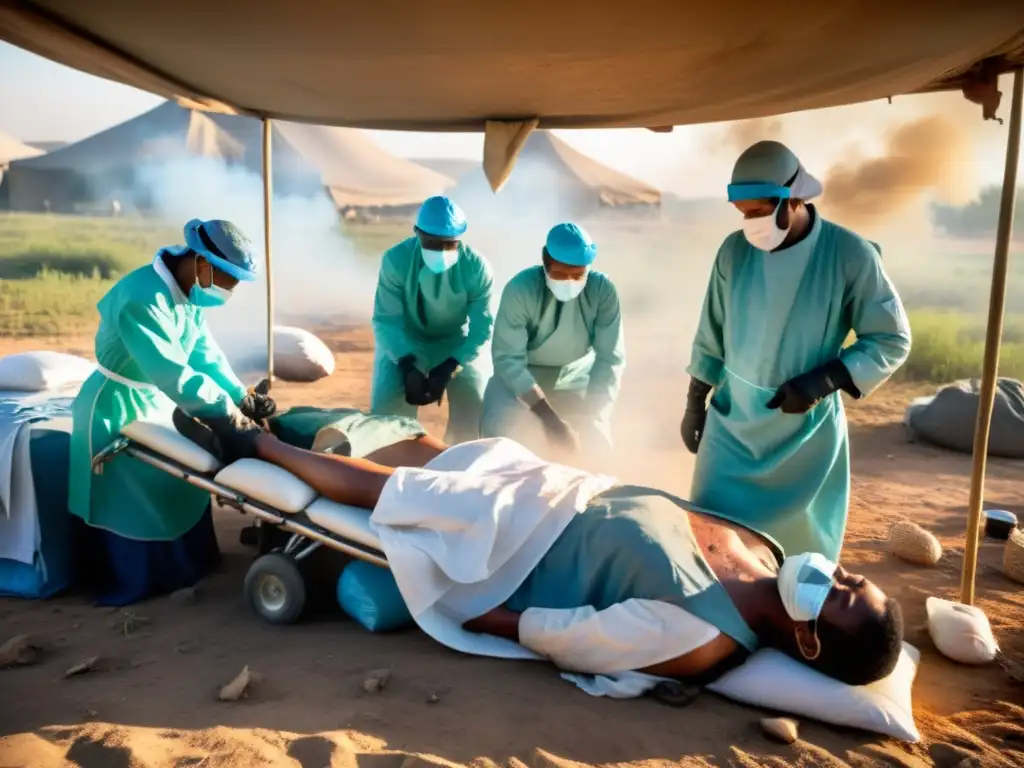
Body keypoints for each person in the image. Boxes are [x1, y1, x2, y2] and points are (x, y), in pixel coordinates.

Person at [176, 413, 904, 688]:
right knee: (442, 452)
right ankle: (295, 430)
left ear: (809, 642)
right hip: (566, 489)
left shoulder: (700, 636)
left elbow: (570, 638)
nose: (835, 573)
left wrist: (480, 611)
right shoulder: (771, 559)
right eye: (852, 576)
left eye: (838, 595)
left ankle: (253, 445)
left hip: (521, 543)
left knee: (395, 492)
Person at [681, 141, 911, 562]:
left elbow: (890, 338)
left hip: (803, 433)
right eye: (743, 213)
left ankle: (796, 619)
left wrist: (824, 381)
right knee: (714, 541)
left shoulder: (849, 254)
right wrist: (696, 401)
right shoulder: (733, 252)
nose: (750, 223)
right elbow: (711, 330)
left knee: (797, 555)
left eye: (759, 211)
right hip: (732, 426)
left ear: (794, 198)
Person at [68, 218, 273, 605]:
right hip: (118, 407)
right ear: (200, 263)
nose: (228, 292)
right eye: (227, 281)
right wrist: (227, 415)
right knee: (134, 491)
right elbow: (172, 372)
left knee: (179, 481)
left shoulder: (187, 293)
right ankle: (136, 579)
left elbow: (203, 354)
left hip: (158, 401)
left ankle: (188, 564)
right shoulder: (141, 298)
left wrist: (239, 395)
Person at [480, 223, 625, 463]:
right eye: (559, 274)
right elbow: (508, 360)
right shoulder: (521, 289)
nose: (569, 281)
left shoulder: (603, 291)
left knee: (596, 448)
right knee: (513, 444)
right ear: (545, 263)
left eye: (577, 275)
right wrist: (550, 419)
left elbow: (611, 359)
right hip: (516, 386)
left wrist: (594, 413)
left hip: (576, 382)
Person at [371, 196, 494, 444]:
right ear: (417, 232)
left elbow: (482, 328)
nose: (441, 251)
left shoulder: (477, 267)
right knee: (385, 415)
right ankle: (393, 464)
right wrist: (405, 364)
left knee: (476, 404)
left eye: (449, 244)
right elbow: (386, 321)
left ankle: (460, 461)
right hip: (403, 341)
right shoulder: (396, 260)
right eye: (432, 243)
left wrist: (452, 365)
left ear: (460, 239)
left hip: (454, 342)